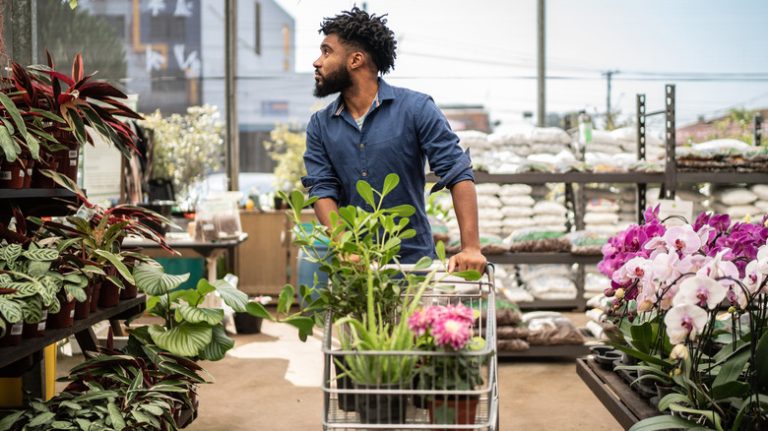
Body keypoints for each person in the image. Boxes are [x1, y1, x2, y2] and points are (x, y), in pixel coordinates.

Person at [301, 7, 485, 273]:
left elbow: (458, 172)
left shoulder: (416, 109)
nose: (317, 62)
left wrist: (471, 247)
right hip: (355, 269)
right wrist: (345, 245)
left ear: (355, 60)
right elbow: (322, 189)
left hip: (413, 264)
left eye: (327, 51)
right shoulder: (320, 125)